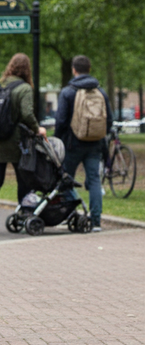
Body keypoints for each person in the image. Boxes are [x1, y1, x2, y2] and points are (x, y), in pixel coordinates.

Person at [0, 53, 47, 234]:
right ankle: (23, 214)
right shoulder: (24, 88)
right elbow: (27, 113)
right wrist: (37, 129)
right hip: (16, 141)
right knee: (23, 179)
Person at [54, 54, 113, 232]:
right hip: (95, 143)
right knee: (94, 180)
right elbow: (109, 120)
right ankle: (96, 221)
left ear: (74, 70)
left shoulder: (68, 92)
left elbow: (61, 121)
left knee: (66, 180)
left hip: (72, 144)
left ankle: (72, 214)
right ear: (89, 69)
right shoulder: (100, 92)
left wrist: (58, 140)